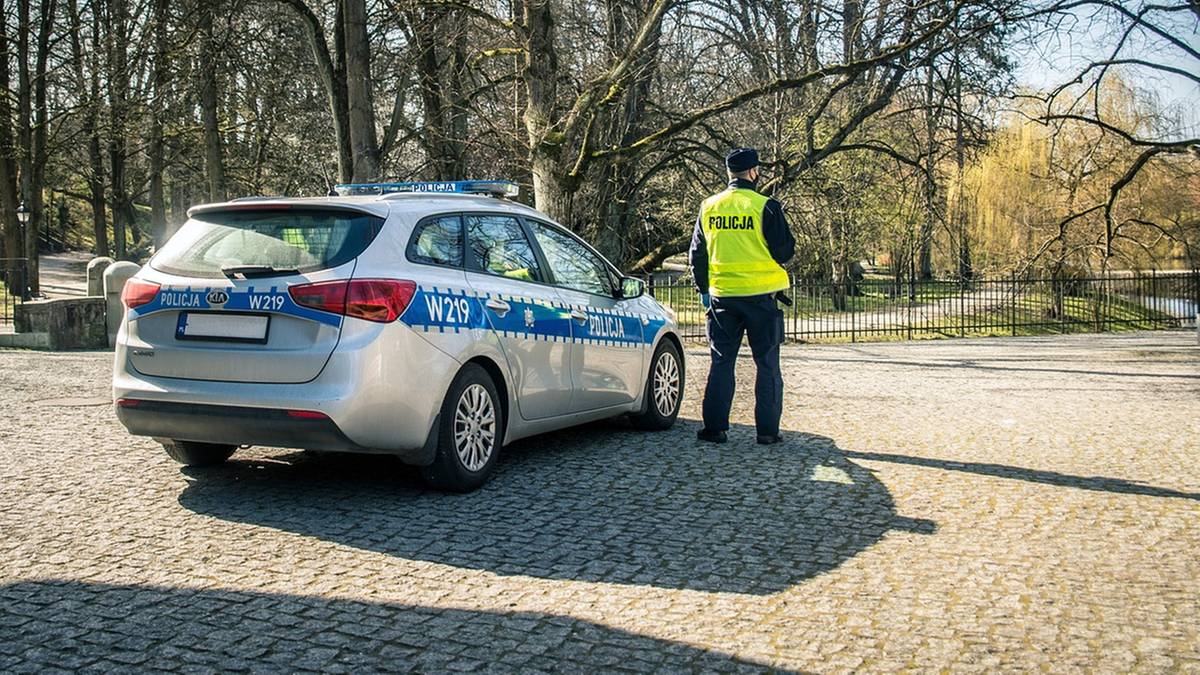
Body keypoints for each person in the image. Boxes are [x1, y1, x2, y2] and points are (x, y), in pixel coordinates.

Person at [689, 147, 796, 444]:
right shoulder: (766, 206)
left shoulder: (709, 207)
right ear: (753, 172)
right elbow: (785, 251)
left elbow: (697, 254)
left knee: (721, 361)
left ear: (729, 173)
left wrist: (704, 289)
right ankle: (767, 432)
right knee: (767, 364)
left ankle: (714, 428)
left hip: (723, 297)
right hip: (761, 298)